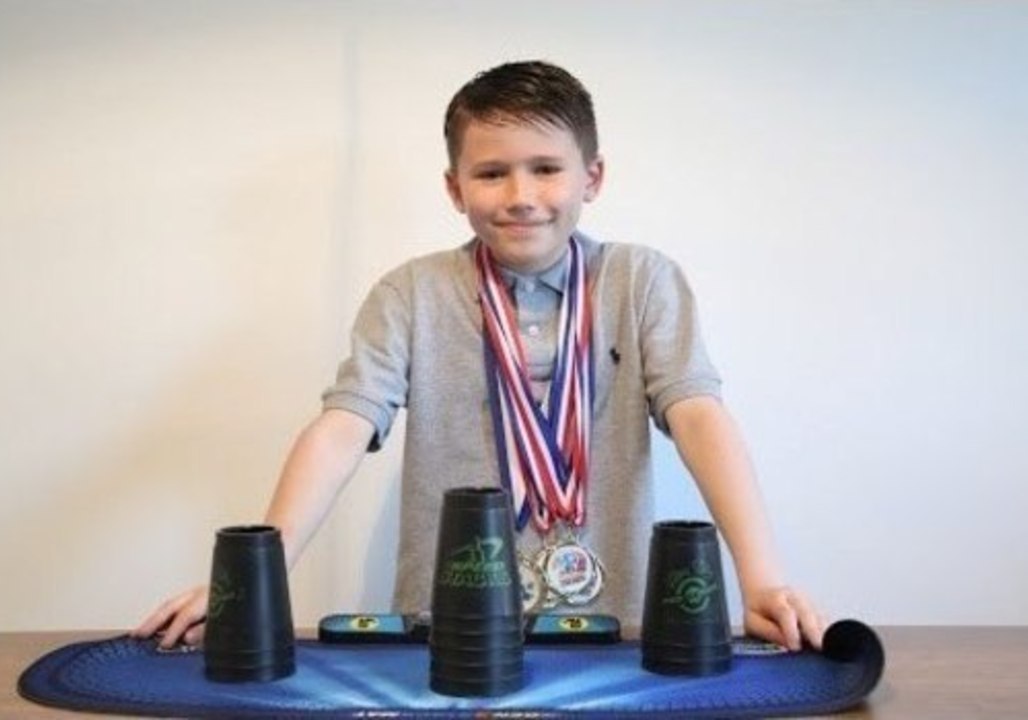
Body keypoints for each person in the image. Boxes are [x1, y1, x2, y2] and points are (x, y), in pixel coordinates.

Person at [134, 60, 825, 652]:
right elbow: (341, 429)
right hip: (443, 634)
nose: (521, 196)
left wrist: (762, 579)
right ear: (455, 188)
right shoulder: (410, 292)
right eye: (492, 173)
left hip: (616, 635)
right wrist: (255, 575)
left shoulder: (643, 282)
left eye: (546, 168)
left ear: (593, 176)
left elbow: (700, 416)